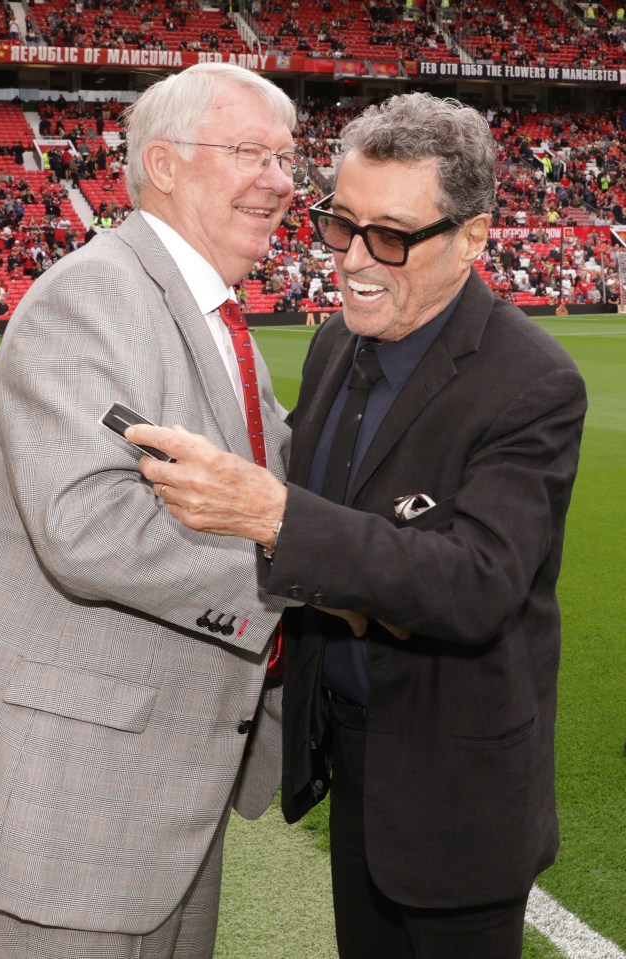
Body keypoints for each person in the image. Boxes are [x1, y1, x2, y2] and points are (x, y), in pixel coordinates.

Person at [126, 93, 588, 959]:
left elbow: (476, 585)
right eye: (342, 225)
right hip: (352, 760)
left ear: (475, 237)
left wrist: (272, 513)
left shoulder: (534, 383)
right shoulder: (340, 342)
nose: (353, 260)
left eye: (393, 236)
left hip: (456, 787)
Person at [0, 62, 306, 959]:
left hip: (162, 793)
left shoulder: (212, 315)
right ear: (162, 165)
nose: (281, 181)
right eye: (251, 153)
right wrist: (310, 575)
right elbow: (87, 525)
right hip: (65, 809)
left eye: (287, 159)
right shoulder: (95, 294)